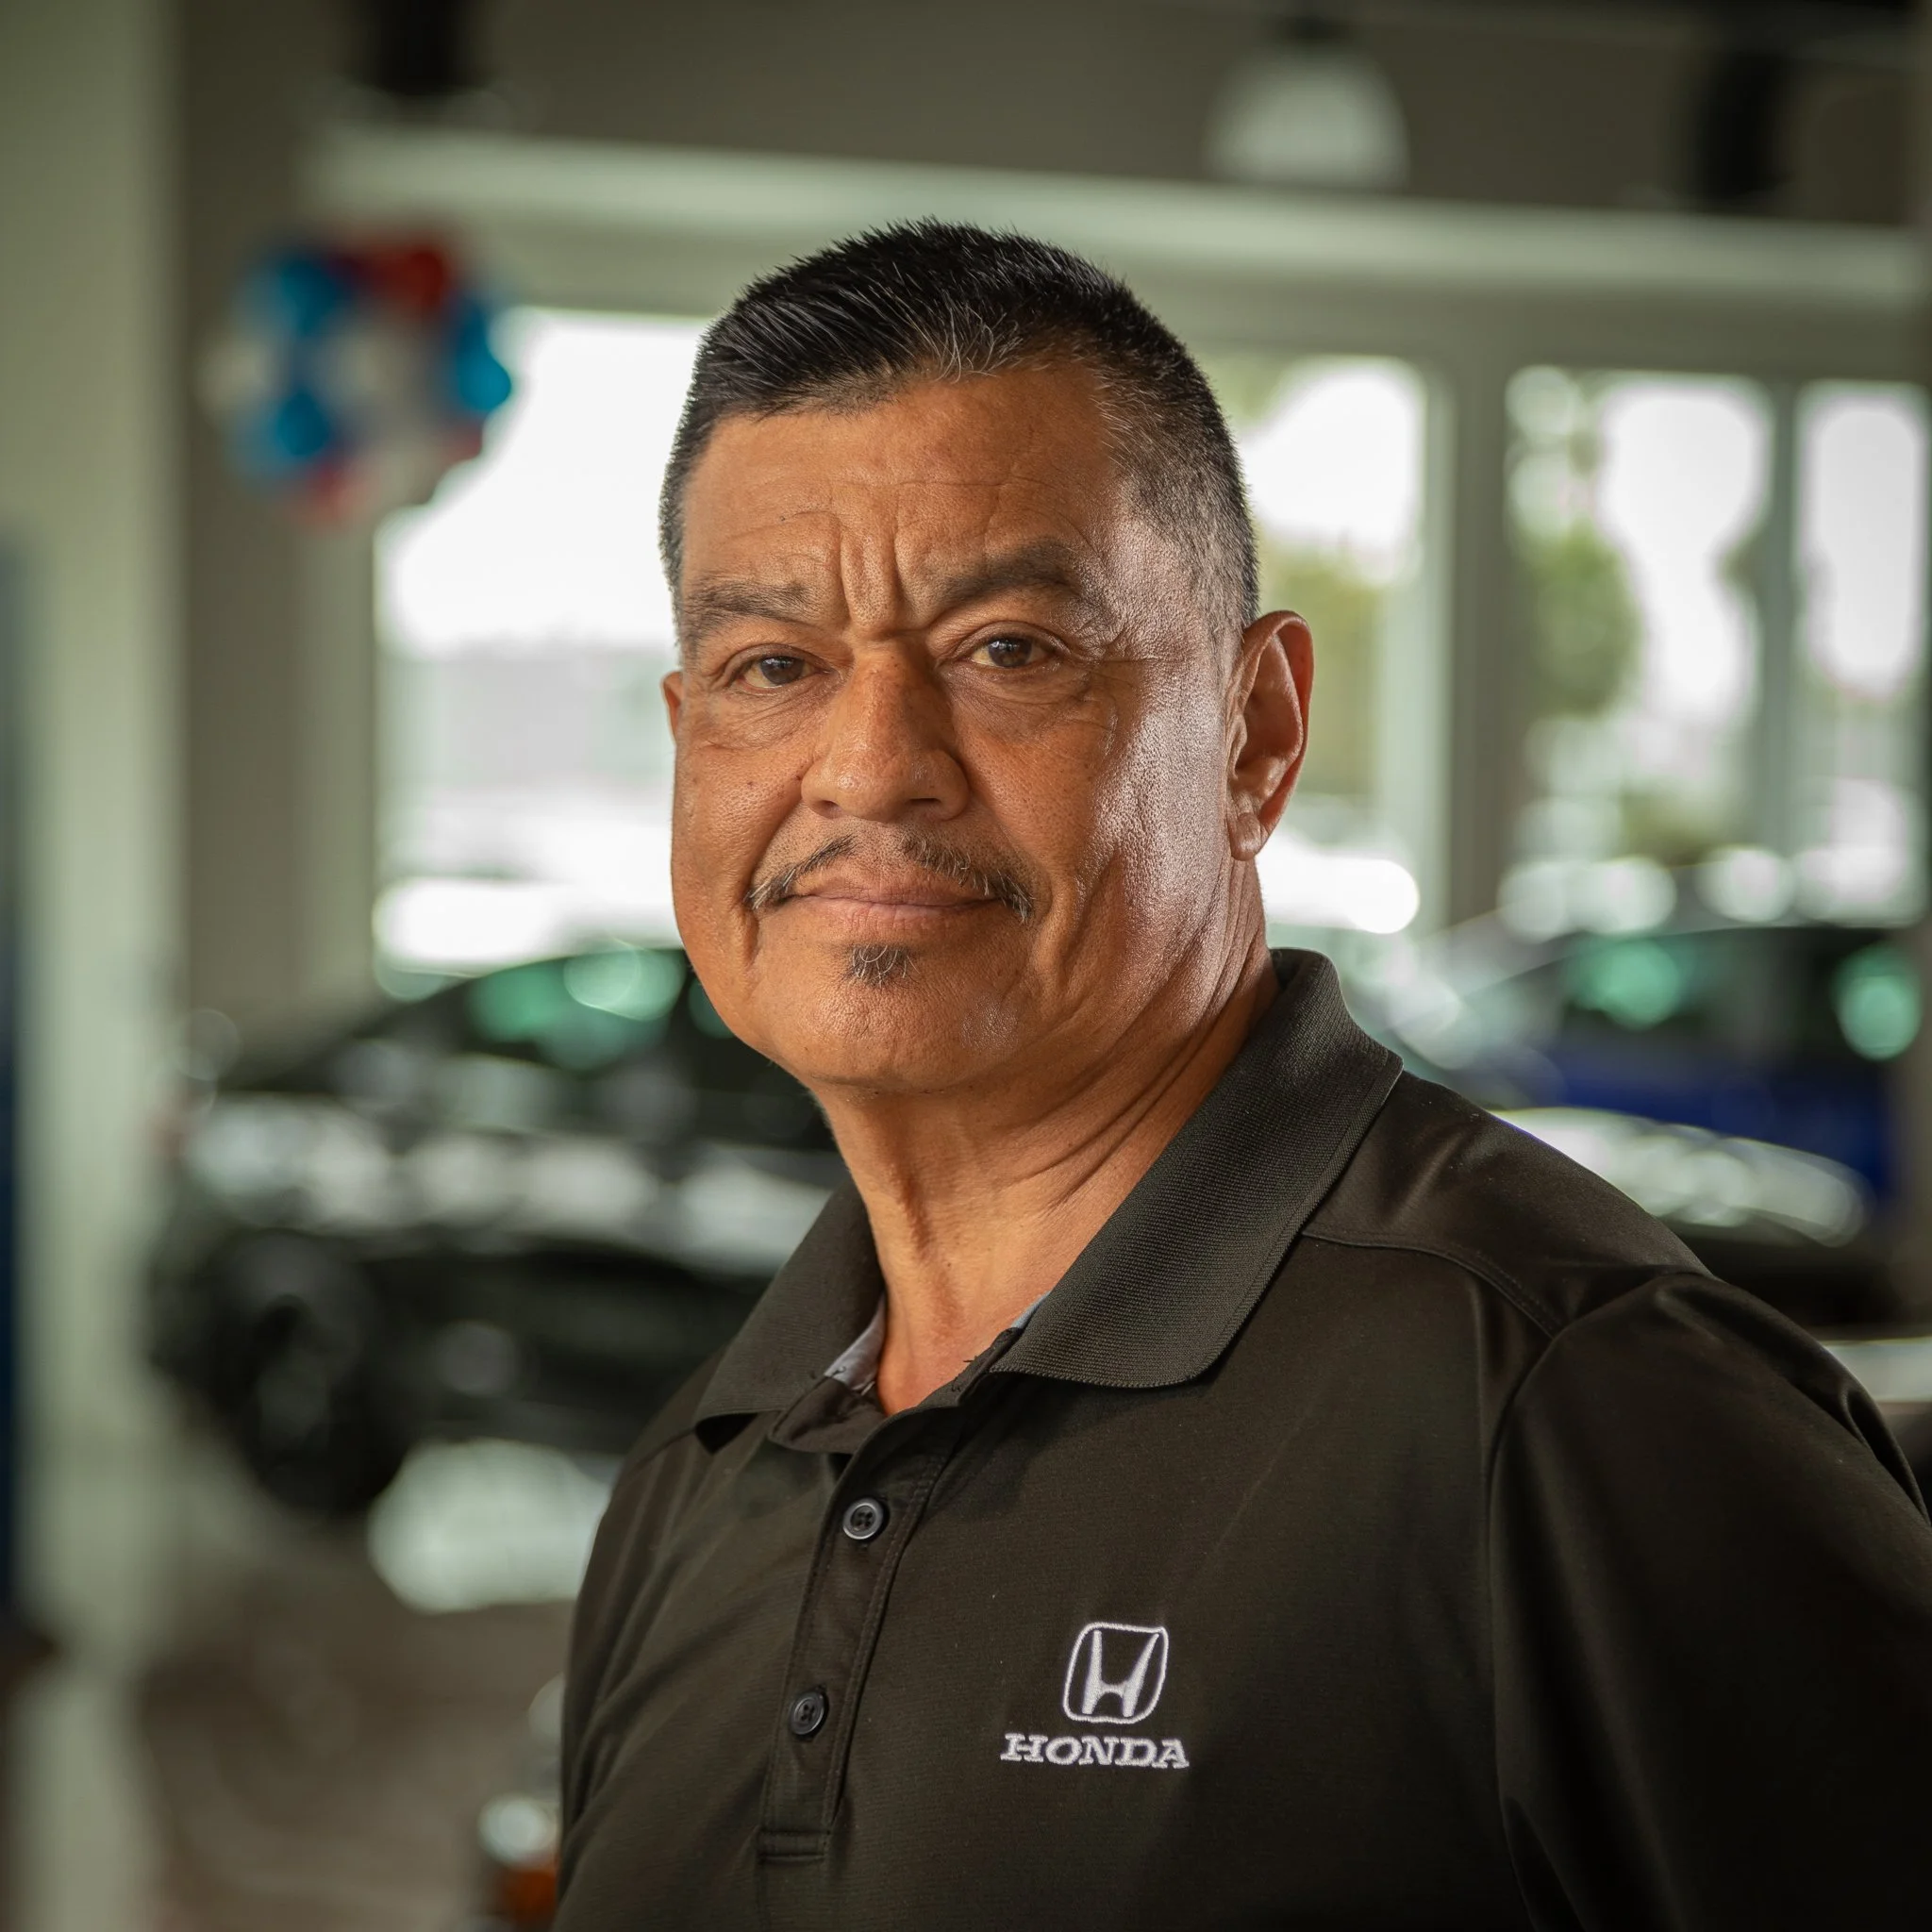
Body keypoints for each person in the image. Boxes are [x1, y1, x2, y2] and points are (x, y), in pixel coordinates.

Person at [556, 223, 1932, 1930]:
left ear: (1256, 733)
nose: (873, 766)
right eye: (774, 667)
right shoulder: (699, 1474)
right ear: (689, 741)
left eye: (1009, 649)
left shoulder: (1572, 1406)